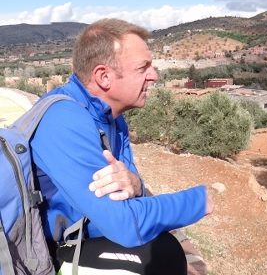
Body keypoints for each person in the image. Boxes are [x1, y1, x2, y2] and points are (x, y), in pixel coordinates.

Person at [31, 18, 212, 274]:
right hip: (44, 253)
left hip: (84, 230)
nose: (154, 75)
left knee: (162, 246)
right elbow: (125, 223)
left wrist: (136, 185)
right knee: (163, 257)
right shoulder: (63, 120)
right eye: (143, 67)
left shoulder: (112, 119)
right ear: (104, 76)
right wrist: (199, 201)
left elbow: (129, 189)